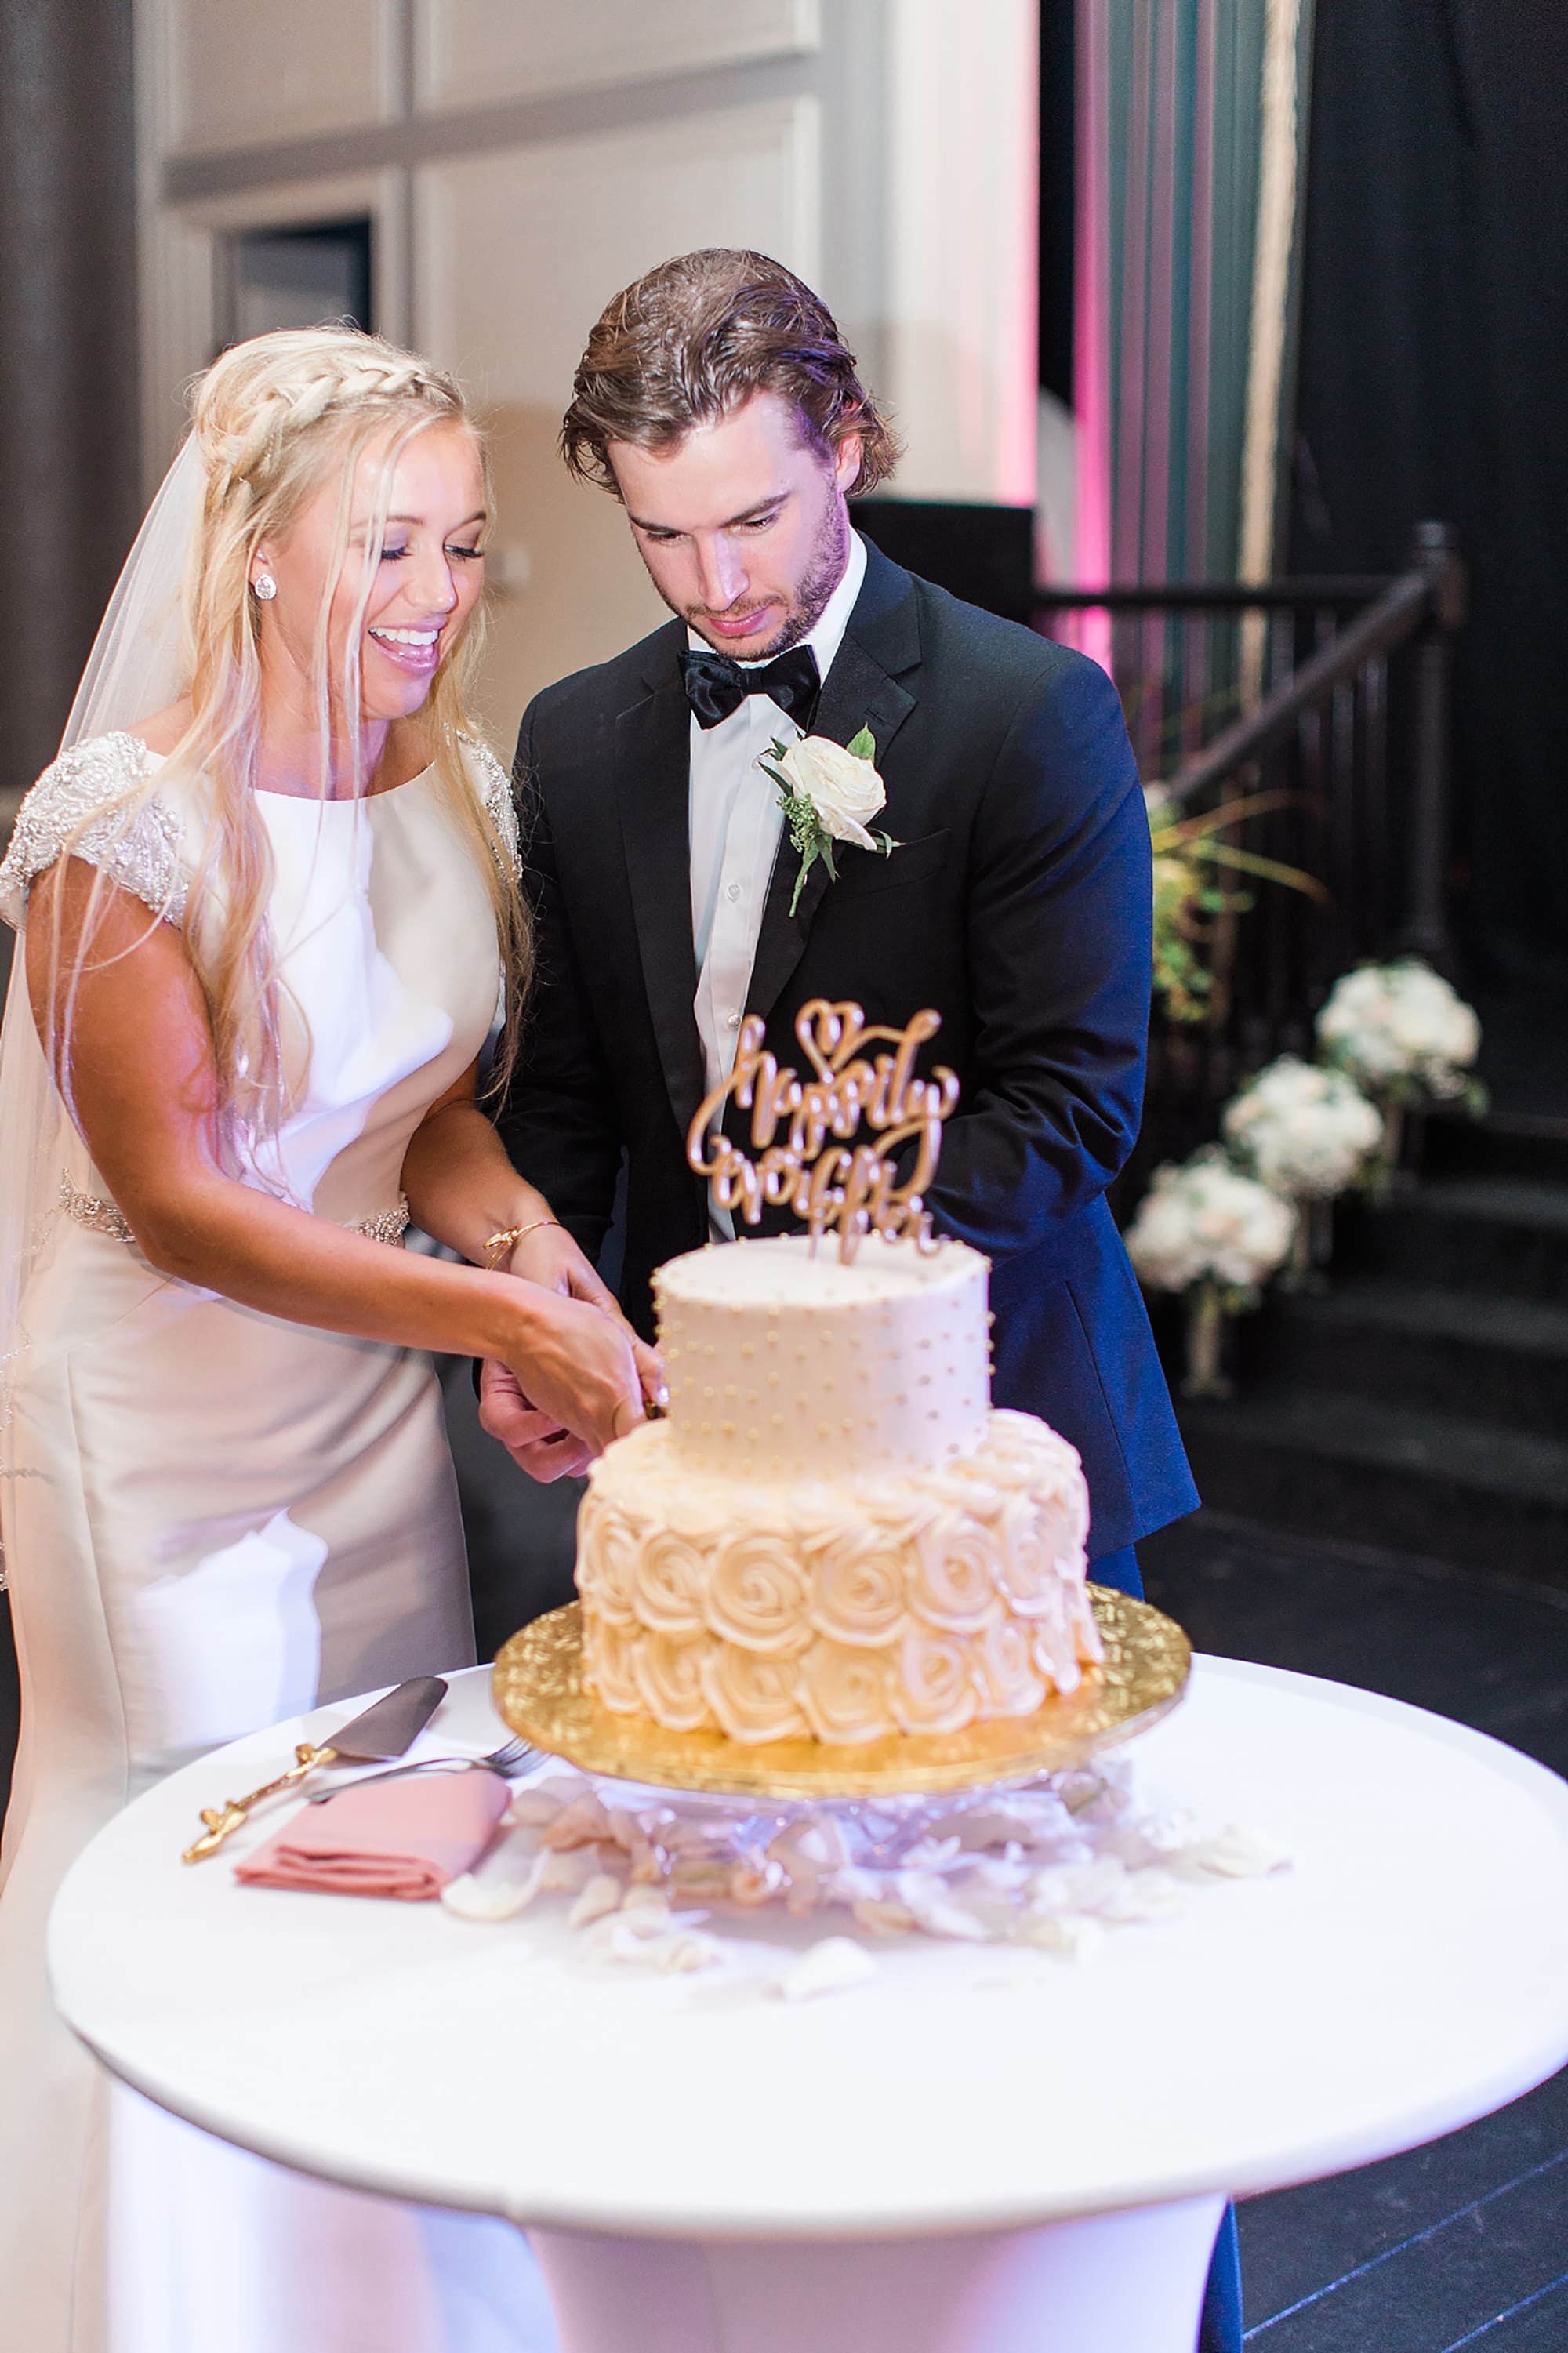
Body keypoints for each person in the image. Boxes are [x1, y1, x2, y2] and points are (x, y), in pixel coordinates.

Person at [481, 249, 1240, 2351]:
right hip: (708, 1492)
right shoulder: (574, 735)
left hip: (1002, 1444)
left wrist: (772, 1326)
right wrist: (548, 1316)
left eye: (749, 516)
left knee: (1062, 2007)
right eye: (655, 533)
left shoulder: (1024, 707)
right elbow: (569, 1100)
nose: (710, 582)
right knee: (754, 1998)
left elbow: (1067, 1108)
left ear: (851, 450)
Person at [0, 325, 650, 2353]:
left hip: (361, 1420)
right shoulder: (127, 829)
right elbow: (188, 1197)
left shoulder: (436, 776)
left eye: (462, 546)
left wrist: (542, 1264)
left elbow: (418, 1106)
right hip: (159, 1444)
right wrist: (483, 1314)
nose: (438, 596)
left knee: (382, 1844)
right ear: (259, 547)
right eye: (389, 546)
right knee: (186, 1860)